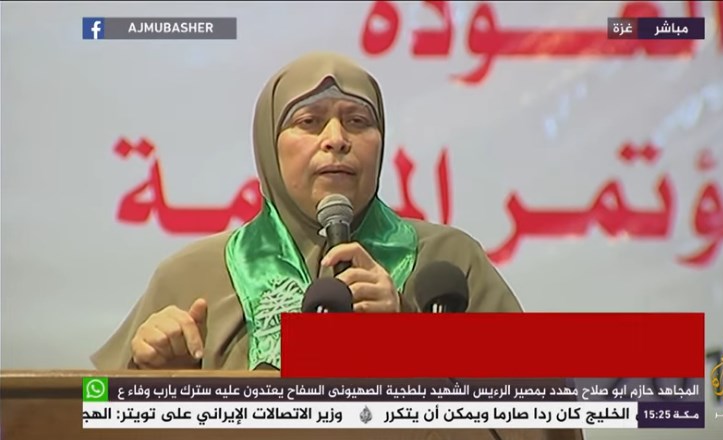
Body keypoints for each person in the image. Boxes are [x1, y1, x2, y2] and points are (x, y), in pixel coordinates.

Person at [92, 52, 524, 372]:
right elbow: (90, 414)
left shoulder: (448, 261)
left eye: (358, 121)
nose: (336, 139)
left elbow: (538, 413)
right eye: (309, 122)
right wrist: (155, 378)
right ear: (269, 145)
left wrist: (407, 335)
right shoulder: (191, 276)